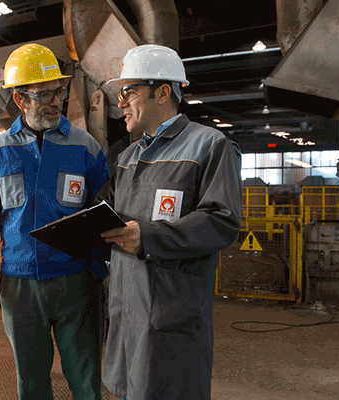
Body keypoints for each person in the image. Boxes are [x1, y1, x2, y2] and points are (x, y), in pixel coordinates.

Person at [0, 43, 110, 400]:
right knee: (31, 382)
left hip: (77, 281)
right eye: (43, 94)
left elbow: (106, 210)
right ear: (19, 100)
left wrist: (101, 270)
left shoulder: (85, 147)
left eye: (58, 91)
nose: (55, 101)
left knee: (85, 379)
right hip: (20, 287)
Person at [99, 44, 243, 399]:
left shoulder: (209, 146)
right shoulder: (128, 157)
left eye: (128, 92)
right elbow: (117, 218)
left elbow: (221, 220)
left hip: (171, 312)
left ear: (163, 92)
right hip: (126, 306)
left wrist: (148, 237)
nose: (120, 104)